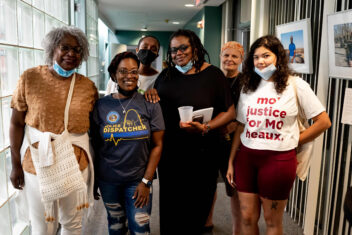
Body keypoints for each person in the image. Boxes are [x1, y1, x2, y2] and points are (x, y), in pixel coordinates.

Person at [226, 35, 331, 235]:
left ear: (278, 57)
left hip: (278, 161)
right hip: (246, 158)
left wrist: (294, 141)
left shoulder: (296, 85)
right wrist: (231, 161)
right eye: (256, 57)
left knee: (271, 220)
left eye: (266, 55)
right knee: (247, 218)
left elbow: (323, 122)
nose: (261, 61)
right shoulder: (248, 86)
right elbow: (241, 126)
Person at [145, 29, 235, 235]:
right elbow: (154, 100)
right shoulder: (167, 75)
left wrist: (207, 126)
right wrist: (151, 90)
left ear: (195, 48)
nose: (178, 53)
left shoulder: (213, 75)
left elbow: (230, 112)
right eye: (174, 50)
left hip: (203, 152)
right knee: (171, 206)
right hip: (171, 154)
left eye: (183, 47)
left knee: (198, 205)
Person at [9, 26, 98, 235]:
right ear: (52, 49)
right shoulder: (30, 78)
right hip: (37, 163)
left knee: (72, 224)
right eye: (65, 48)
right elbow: (16, 123)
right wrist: (15, 165)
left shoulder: (88, 87)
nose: (71, 54)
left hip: (76, 162)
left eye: (77, 50)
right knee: (43, 227)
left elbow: (95, 129)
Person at [90, 51, 165, 235]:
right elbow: (95, 145)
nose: (129, 76)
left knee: (140, 228)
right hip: (108, 180)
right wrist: (92, 180)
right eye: (123, 71)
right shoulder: (101, 106)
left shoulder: (150, 103)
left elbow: (158, 145)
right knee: (116, 227)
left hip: (138, 180)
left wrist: (146, 182)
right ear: (114, 75)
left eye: (133, 71)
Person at [204, 41, 244, 234]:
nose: (230, 59)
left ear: (241, 60)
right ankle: (207, 221)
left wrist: (234, 124)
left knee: (233, 184)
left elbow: (250, 111)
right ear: (220, 56)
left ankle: (237, 227)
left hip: (235, 140)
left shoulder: (247, 82)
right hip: (211, 136)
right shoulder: (212, 78)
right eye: (226, 55)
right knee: (209, 181)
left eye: (234, 56)